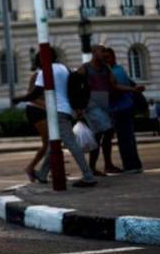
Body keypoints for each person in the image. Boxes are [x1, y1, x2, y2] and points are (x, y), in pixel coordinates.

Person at [33, 57, 97, 187]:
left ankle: (88, 175)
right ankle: (43, 174)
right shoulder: (63, 68)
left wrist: (22, 98)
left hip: (58, 111)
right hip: (67, 109)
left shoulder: (45, 71)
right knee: (54, 143)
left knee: (71, 144)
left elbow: (35, 93)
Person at [75, 45, 135, 176]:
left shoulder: (106, 69)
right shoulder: (85, 68)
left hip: (104, 104)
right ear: (94, 52)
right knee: (106, 131)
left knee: (104, 136)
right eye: (101, 51)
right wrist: (78, 106)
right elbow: (74, 85)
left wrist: (133, 89)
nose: (104, 54)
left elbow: (114, 85)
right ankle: (96, 167)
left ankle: (102, 166)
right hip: (91, 105)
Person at [104, 47, 144, 174]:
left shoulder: (115, 72)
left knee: (124, 139)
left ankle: (130, 166)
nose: (105, 60)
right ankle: (135, 164)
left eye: (107, 57)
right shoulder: (119, 69)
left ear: (113, 58)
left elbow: (116, 90)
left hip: (120, 108)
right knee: (128, 137)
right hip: (126, 106)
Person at [11, 55, 49, 183]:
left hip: (45, 111)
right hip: (36, 110)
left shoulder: (49, 73)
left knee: (52, 143)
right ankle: (31, 168)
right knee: (49, 142)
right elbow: (32, 96)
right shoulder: (38, 75)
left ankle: (49, 169)